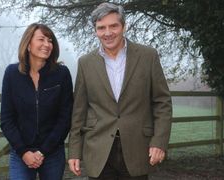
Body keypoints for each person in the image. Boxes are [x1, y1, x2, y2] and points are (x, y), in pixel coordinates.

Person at [68, 2, 172, 180]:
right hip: (98, 151)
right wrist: (74, 152)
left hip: (138, 149)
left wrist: (159, 142)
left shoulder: (148, 56)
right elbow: (79, 111)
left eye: (113, 26)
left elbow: (162, 103)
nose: (107, 33)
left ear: (124, 26)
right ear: (95, 31)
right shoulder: (85, 63)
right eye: (101, 28)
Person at [0, 23, 73, 180]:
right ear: (28, 44)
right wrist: (23, 152)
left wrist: (43, 151)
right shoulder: (12, 74)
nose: (47, 44)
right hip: (21, 154)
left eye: (50, 40)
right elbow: (6, 119)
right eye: (41, 39)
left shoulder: (62, 74)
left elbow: (65, 118)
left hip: (53, 152)